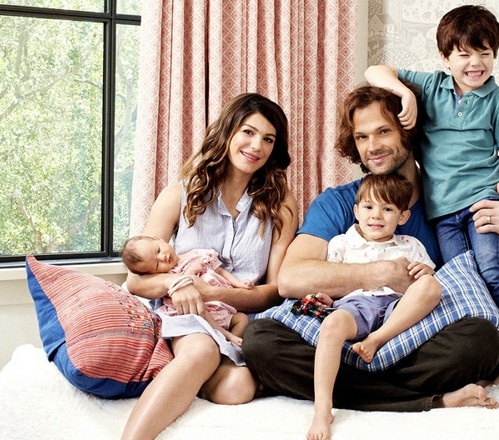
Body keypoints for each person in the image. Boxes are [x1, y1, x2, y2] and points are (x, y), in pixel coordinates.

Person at [242, 85, 499, 418]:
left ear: (409, 132)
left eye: (384, 131)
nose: (373, 146)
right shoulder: (338, 202)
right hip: (344, 332)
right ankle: (433, 400)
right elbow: (290, 280)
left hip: (415, 340)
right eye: (362, 137)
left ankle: (345, 388)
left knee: (481, 341)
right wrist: (380, 273)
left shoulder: (455, 205)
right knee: (261, 341)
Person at [365, 4, 499, 384]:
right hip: (442, 211)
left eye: (485, 53)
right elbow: (374, 71)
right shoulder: (430, 87)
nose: (476, 63)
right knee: (463, 279)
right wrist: (404, 94)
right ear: (445, 58)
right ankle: (483, 359)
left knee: (493, 270)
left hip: (483, 202)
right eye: (465, 54)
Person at [121, 93, 298, 440]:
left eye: (268, 139)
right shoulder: (180, 194)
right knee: (201, 349)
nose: (256, 146)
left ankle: (187, 374)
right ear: (228, 132)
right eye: (248, 132)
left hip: (238, 319)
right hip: (186, 314)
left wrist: (214, 293)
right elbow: (136, 281)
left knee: (238, 388)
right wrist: (177, 284)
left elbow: (273, 291)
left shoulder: (281, 204)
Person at [306, 173, 440, 439]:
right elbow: (334, 281)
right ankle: (322, 409)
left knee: (432, 286)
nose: (376, 215)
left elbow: (427, 282)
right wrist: (329, 299)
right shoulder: (342, 243)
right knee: (331, 325)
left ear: (403, 216)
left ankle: (376, 340)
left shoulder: (410, 245)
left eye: (387, 209)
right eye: (369, 207)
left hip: (397, 309)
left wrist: (426, 272)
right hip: (357, 304)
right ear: (356, 211)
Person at [121, 236, 251, 346]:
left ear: (159, 239)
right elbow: (186, 284)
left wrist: (239, 284)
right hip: (202, 312)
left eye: (158, 250)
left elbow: (220, 271)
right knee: (200, 312)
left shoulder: (197, 254)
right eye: (157, 264)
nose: (163, 258)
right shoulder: (171, 275)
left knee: (242, 319)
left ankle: (231, 347)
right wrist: (191, 271)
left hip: (224, 307)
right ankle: (226, 335)